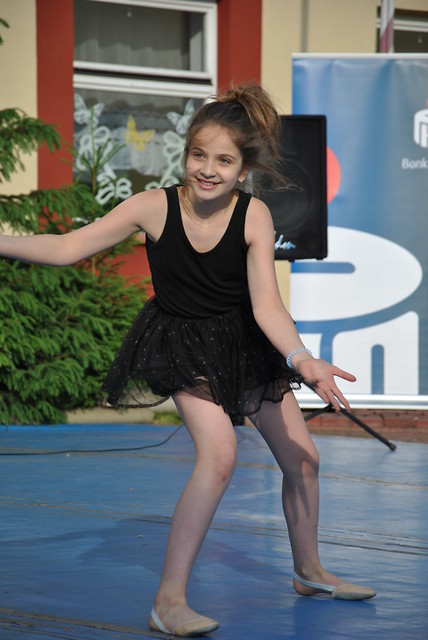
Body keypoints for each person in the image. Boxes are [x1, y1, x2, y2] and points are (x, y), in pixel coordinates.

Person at [0, 84, 375, 637]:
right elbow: (66, 247)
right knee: (219, 455)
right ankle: (168, 602)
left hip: (246, 343)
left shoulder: (254, 216)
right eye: (199, 155)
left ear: (244, 169)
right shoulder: (153, 207)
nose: (207, 169)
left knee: (304, 461)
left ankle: (309, 571)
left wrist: (303, 358)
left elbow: (267, 306)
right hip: (183, 345)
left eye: (223, 160)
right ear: (185, 154)